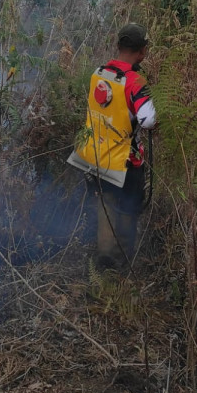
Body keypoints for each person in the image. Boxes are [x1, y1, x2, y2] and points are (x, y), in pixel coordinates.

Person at [68, 23, 157, 268]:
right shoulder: (134, 81)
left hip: (95, 155)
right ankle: (121, 262)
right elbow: (148, 120)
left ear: (118, 46)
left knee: (105, 205)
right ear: (142, 51)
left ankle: (104, 259)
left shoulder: (98, 73)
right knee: (128, 209)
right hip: (125, 162)